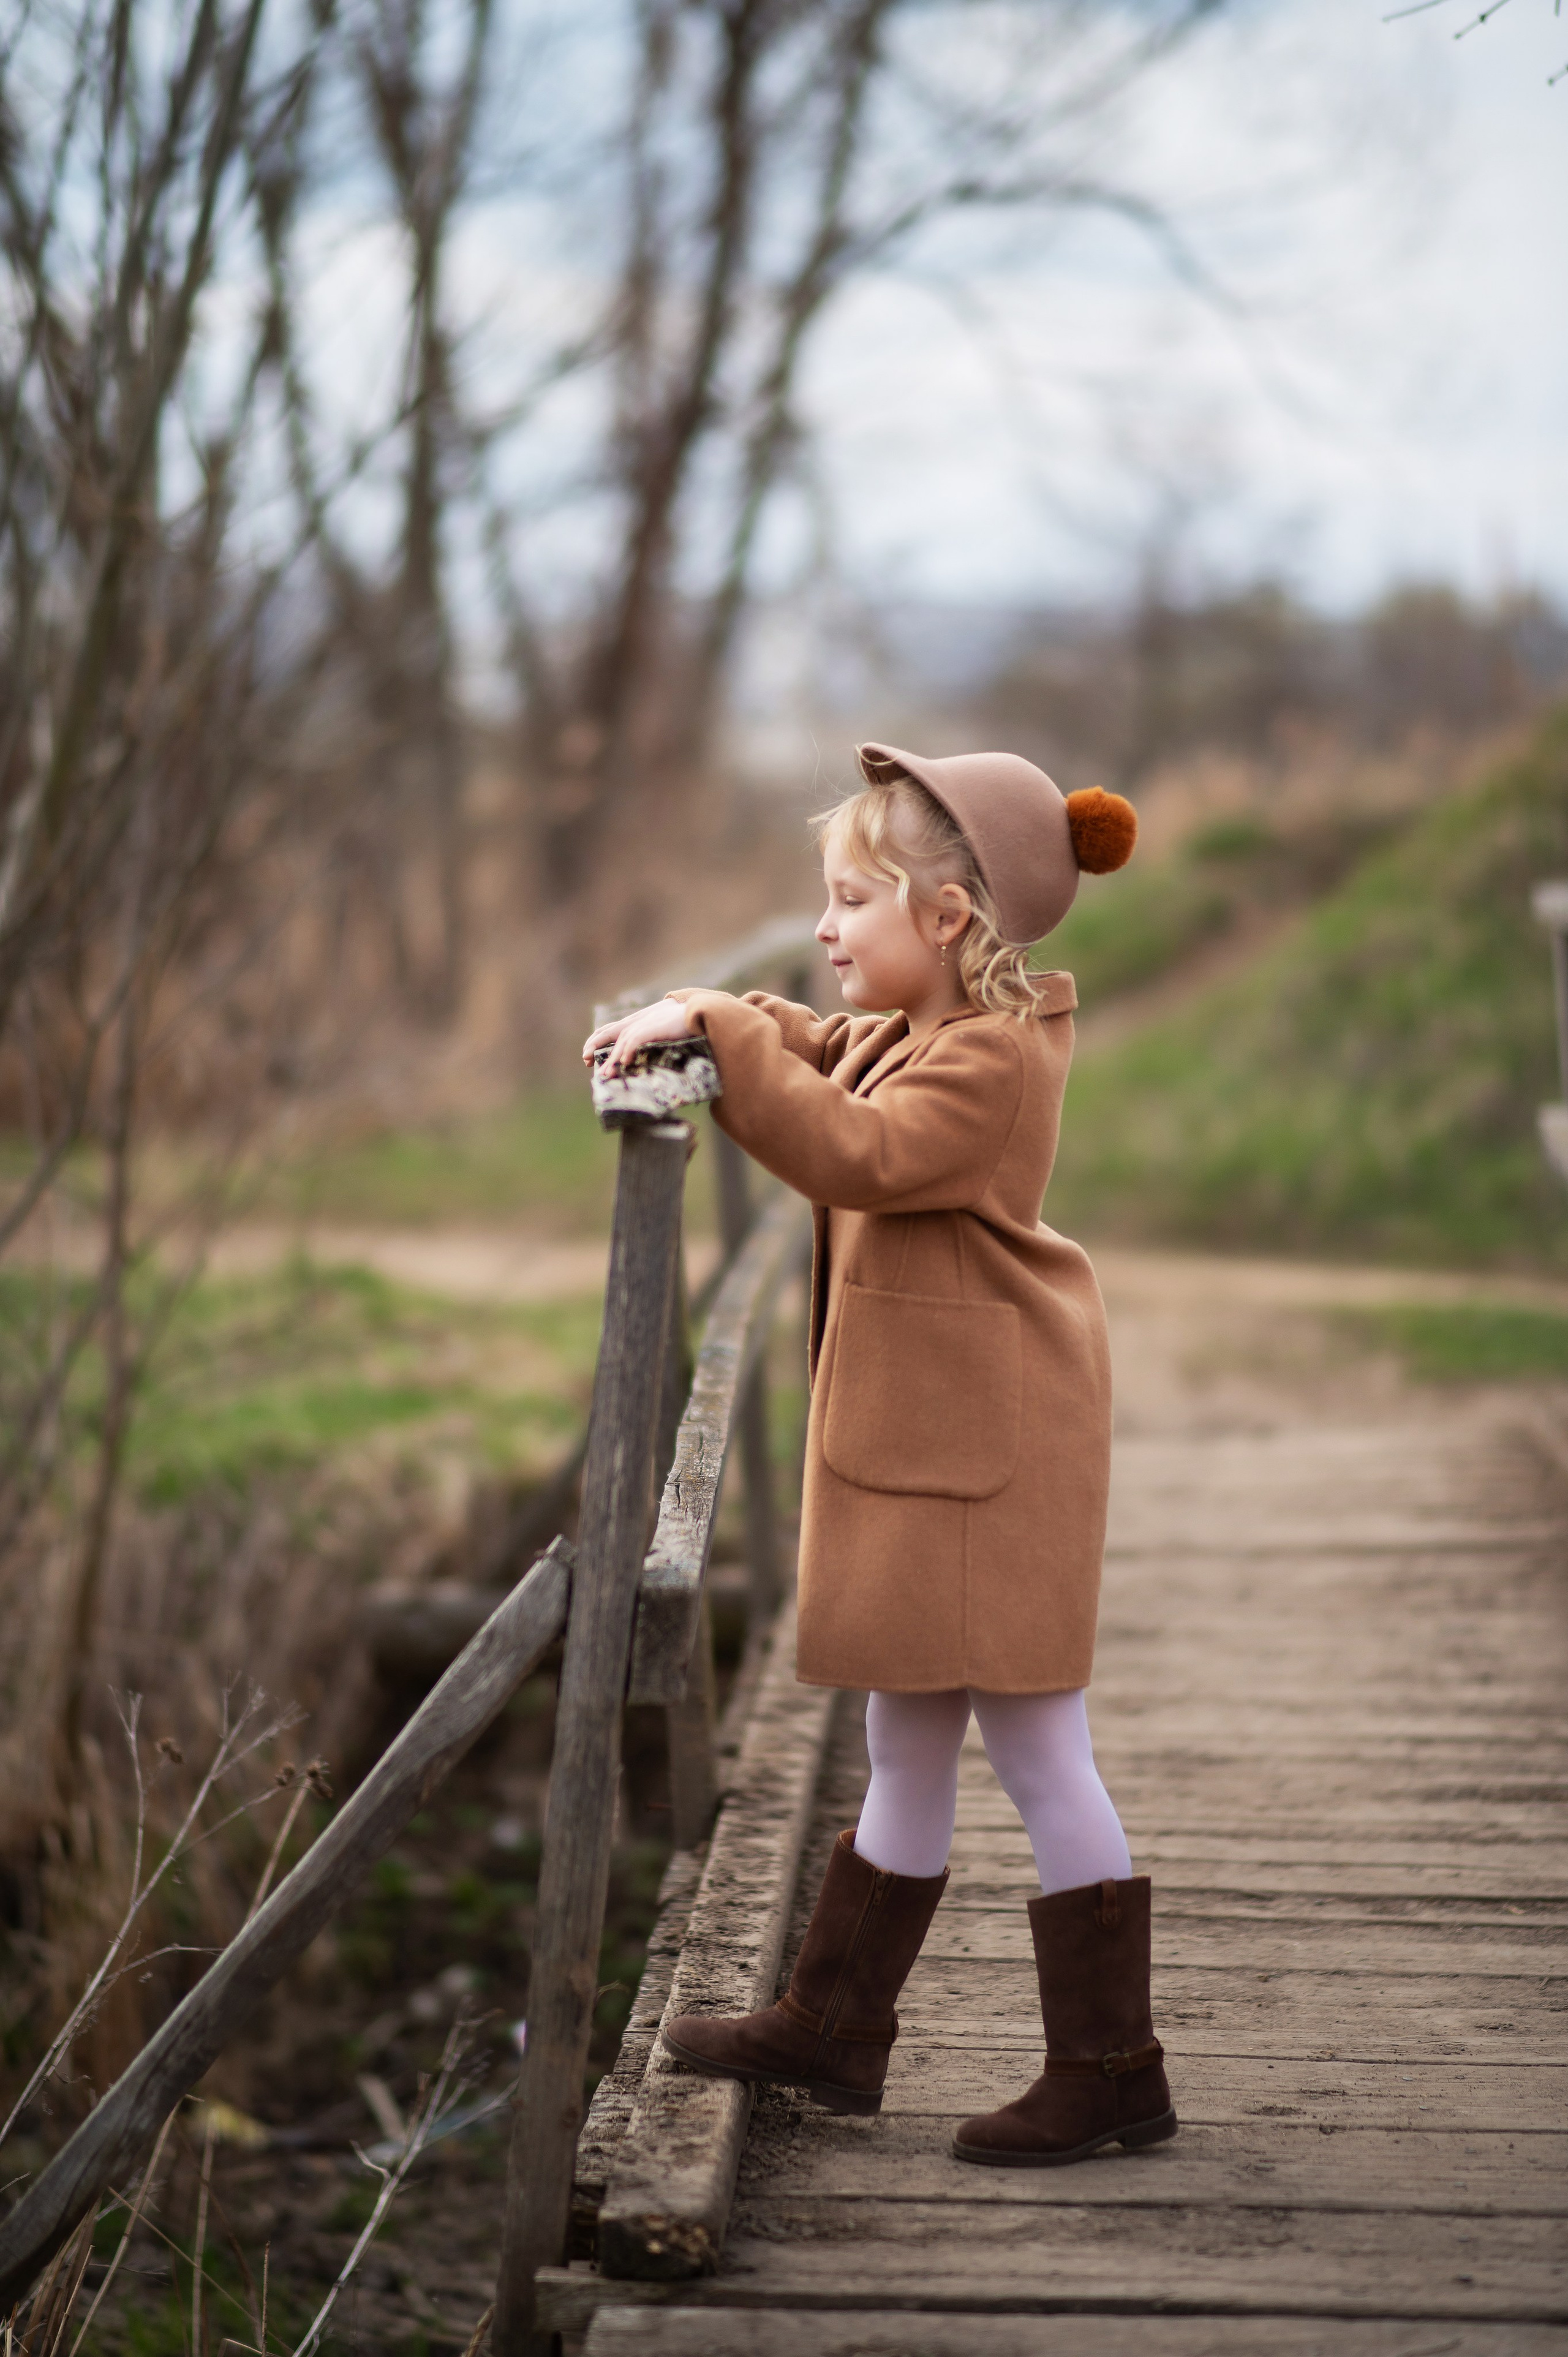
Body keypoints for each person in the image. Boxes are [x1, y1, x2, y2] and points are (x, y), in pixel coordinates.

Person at [582, 742, 1175, 2168]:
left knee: (1038, 1748)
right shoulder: (925, 1027)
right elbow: (816, 1047)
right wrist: (713, 1020)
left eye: (850, 900)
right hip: (943, 1444)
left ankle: (1110, 2069)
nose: (827, 930)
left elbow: (849, 1152)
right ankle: (833, 2024)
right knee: (900, 1733)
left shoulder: (982, 1062)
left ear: (947, 921)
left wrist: (715, 1024)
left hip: (992, 1449)